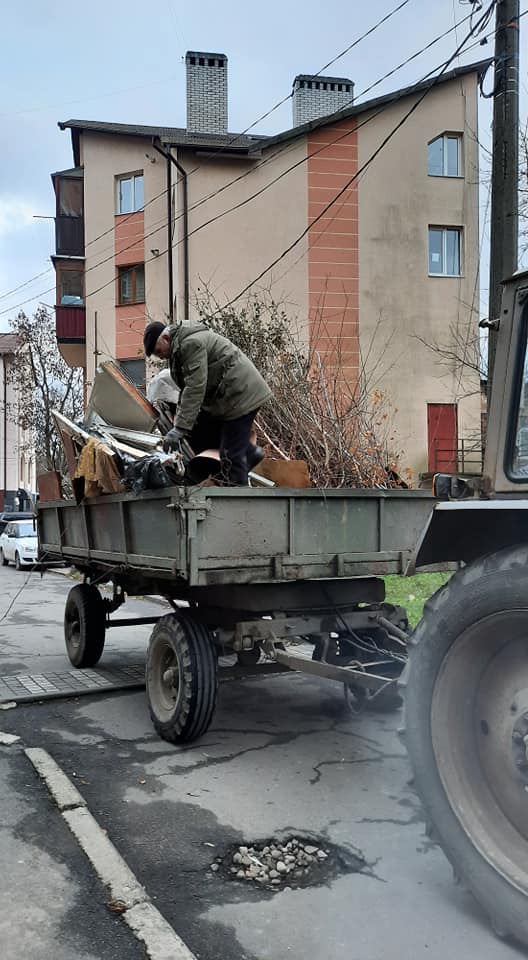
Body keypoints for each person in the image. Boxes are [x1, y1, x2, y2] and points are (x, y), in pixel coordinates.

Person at [143, 320, 272, 486]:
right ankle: (248, 454)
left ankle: (237, 493)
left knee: (231, 456)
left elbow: (195, 387)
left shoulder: (190, 344)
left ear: (166, 338)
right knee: (215, 439)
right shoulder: (179, 348)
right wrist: (180, 423)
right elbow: (186, 389)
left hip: (241, 394)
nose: (160, 356)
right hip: (230, 396)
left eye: (159, 351)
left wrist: (179, 428)